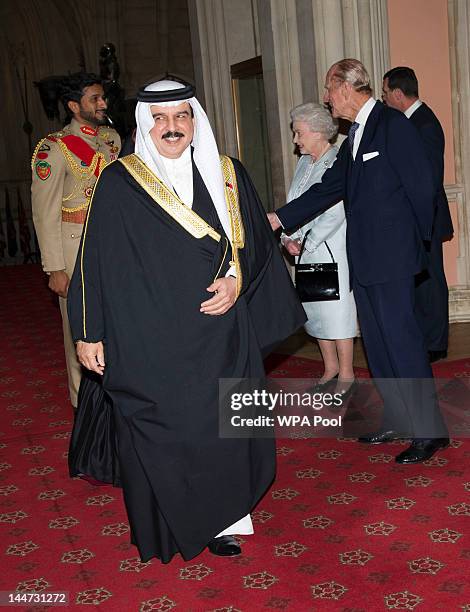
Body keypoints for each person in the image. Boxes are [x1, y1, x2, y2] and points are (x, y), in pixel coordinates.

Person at [67, 79, 305, 563]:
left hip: (222, 334)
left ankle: (224, 521)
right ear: (144, 125)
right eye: (160, 118)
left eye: (181, 116)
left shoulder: (228, 173)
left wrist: (236, 282)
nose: (172, 127)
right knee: (166, 431)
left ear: (196, 120)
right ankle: (166, 524)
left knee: (226, 428)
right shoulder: (119, 181)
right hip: (149, 339)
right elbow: (94, 262)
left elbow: (256, 243)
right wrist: (88, 331)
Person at [268, 58, 449, 464]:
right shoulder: (356, 136)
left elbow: (422, 188)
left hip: (393, 258)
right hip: (366, 260)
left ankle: (430, 431)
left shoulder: (392, 124)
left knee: (402, 343)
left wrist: (413, 244)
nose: (327, 99)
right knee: (380, 346)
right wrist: (281, 218)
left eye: (329, 91)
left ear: (347, 87)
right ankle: (399, 420)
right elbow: (332, 187)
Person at [31, 72, 121, 408]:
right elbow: (44, 211)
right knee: (79, 330)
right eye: (95, 99)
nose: (103, 104)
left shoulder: (112, 139)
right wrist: (54, 267)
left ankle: (116, 397)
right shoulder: (53, 148)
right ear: (73, 105)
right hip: (74, 247)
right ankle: (82, 405)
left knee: (116, 323)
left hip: (112, 248)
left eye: (103, 98)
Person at [281, 103, 357, 397]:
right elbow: (295, 205)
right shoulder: (303, 163)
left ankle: (348, 374)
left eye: (299, 133)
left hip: (328, 249)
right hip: (303, 250)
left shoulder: (337, 161)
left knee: (336, 312)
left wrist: (307, 243)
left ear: (316, 132)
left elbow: (335, 211)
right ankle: (330, 368)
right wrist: (288, 237)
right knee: (315, 311)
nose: (296, 139)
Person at [382, 67, 453, 363]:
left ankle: (436, 344)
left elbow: (429, 180)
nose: (383, 99)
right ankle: (426, 337)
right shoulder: (411, 122)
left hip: (427, 218)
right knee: (422, 281)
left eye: (385, 94)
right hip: (416, 217)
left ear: (398, 94)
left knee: (432, 280)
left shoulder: (423, 124)